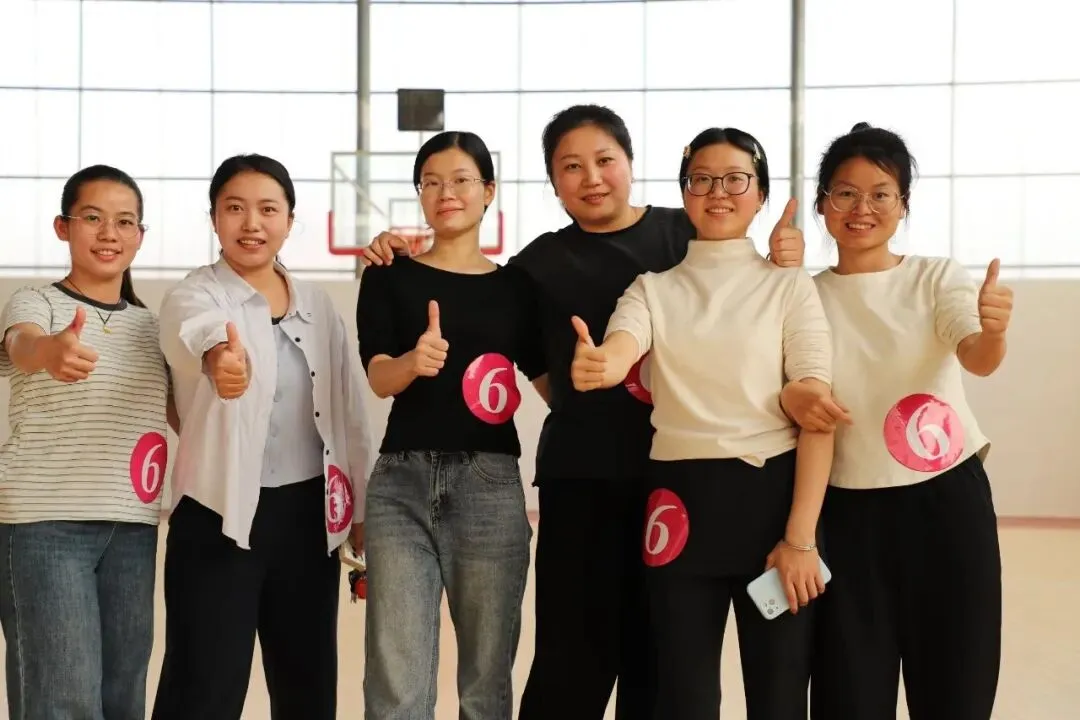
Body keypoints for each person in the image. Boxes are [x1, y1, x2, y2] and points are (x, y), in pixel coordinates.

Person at [355, 104, 806, 720]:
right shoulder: (534, 267)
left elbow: (745, 287)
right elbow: (534, 366)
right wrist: (391, 250)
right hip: (582, 481)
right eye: (571, 166)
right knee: (571, 658)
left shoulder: (686, 234)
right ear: (552, 180)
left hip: (677, 479)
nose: (591, 178)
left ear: (630, 164)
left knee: (659, 658)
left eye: (604, 160)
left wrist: (781, 254)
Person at [571, 127, 835, 720]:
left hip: (773, 506)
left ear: (760, 194)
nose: (719, 191)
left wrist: (800, 538)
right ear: (685, 193)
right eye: (702, 180)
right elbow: (623, 343)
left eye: (736, 179)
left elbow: (817, 403)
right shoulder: (652, 289)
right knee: (683, 698)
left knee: (779, 696)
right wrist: (603, 364)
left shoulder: (789, 287)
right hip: (678, 508)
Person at [778, 123, 1007, 720]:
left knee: (956, 687)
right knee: (850, 694)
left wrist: (994, 331)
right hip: (846, 512)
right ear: (823, 203)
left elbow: (977, 356)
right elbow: (786, 391)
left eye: (881, 194)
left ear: (903, 204)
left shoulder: (935, 276)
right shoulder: (801, 295)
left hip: (946, 502)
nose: (862, 208)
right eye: (845, 193)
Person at [152, 154, 374, 720]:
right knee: (202, 688)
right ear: (214, 218)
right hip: (217, 515)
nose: (251, 223)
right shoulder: (195, 294)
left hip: (307, 519)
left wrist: (362, 510)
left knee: (307, 687)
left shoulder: (318, 305)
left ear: (290, 221)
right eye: (235, 208)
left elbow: (348, 411)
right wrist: (218, 359)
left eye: (268, 209)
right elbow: (193, 334)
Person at [356, 131, 545, 720]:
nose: (446, 193)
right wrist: (414, 362)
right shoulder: (388, 274)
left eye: (461, 179)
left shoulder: (518, 287)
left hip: (490, 486)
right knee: (396, 683)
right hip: (400, 486)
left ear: (489, 190)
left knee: (486, 682)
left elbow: (550, 384)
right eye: (432, 182)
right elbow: (378, 377)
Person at [0, 165, 173, 720]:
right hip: (44, 526)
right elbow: (23, 345)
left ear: (140, 236)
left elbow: (188, 416)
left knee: (124, 695)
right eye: (92, 218)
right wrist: (49, 351)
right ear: (63, 227)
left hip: (133, 529)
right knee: (62, 697)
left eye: (124, 222)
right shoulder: (37, 302)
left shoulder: (153, 327)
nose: (108, 234)